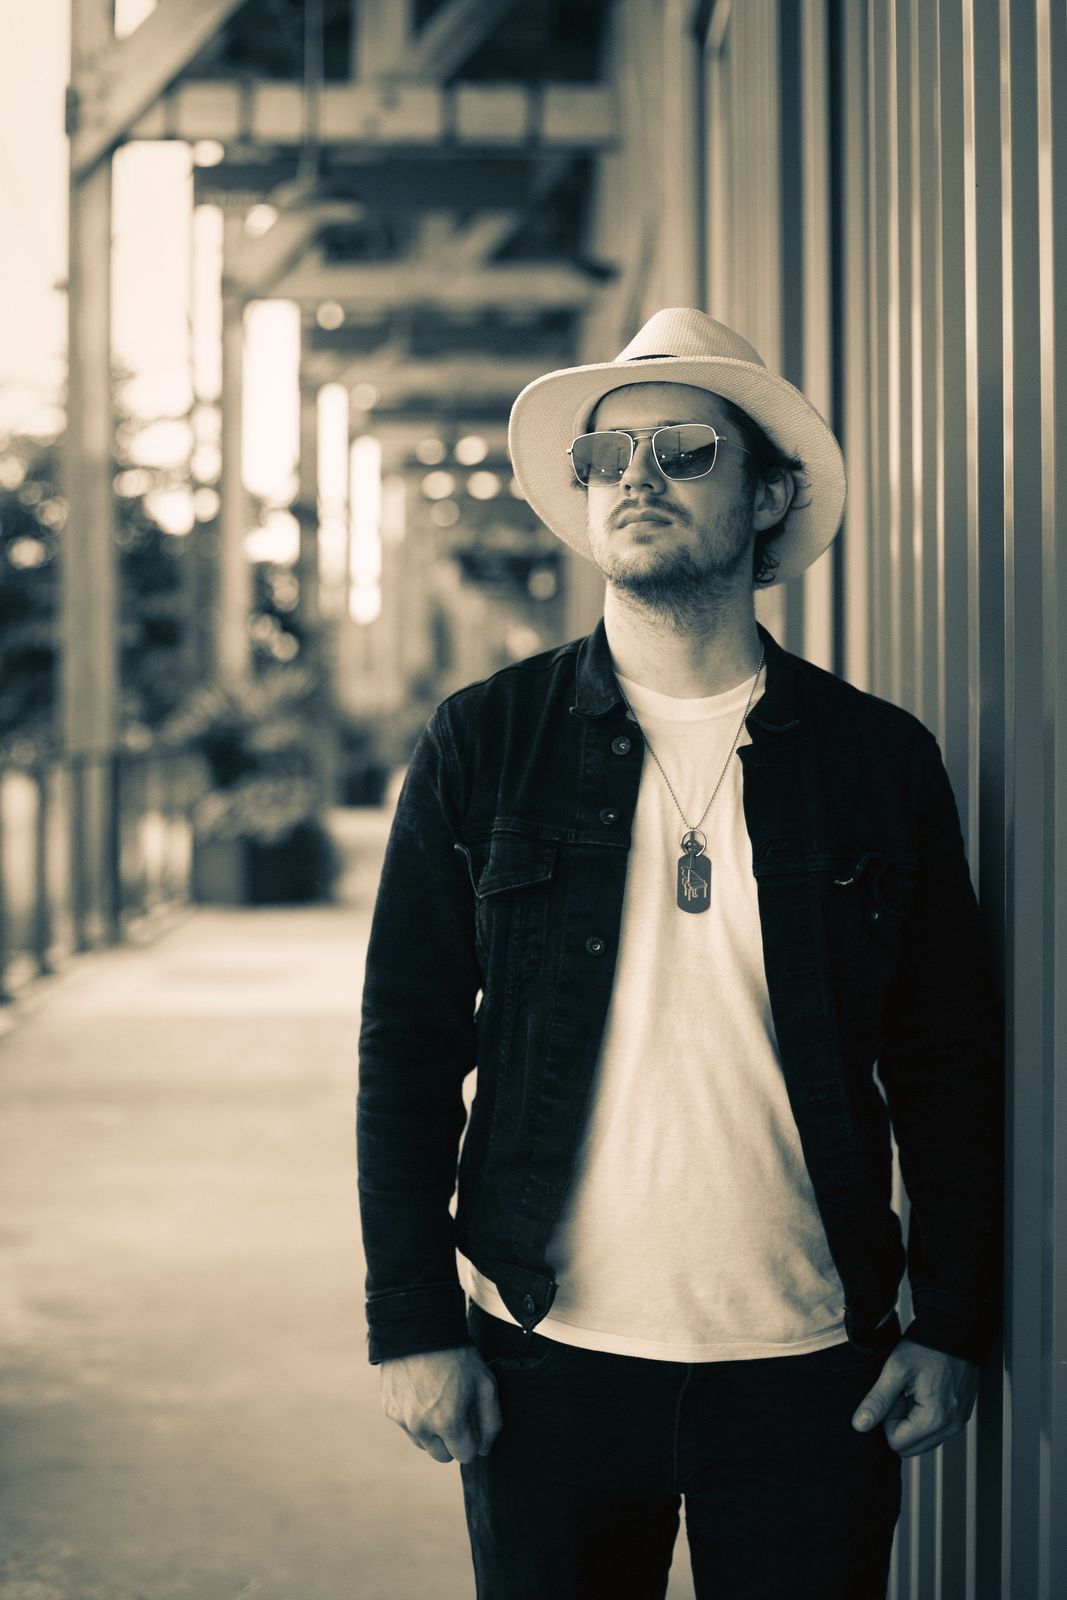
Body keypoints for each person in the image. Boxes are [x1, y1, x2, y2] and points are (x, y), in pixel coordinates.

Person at [356, 308, 1003, 1599]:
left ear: (767, 497)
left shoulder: (878, 761)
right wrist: (411, 1322)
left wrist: (954, 1322)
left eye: (685, 452)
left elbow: (949, 1064)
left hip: (814, 1373)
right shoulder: (485, 742)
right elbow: (407, 1050)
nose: (636, 478)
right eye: (607, 457)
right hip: (544, 1360)